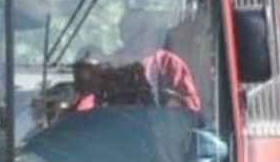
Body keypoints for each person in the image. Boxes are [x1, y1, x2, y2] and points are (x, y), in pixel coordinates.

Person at [72, 10, 201, 111]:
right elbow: (90, 100)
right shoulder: (111, 64)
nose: (134, 36)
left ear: (150, 32)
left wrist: (169, 110)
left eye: (140, 29)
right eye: (128, 30)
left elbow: (189, 105)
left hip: (157, 130)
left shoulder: (169, 63)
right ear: (122, 34)